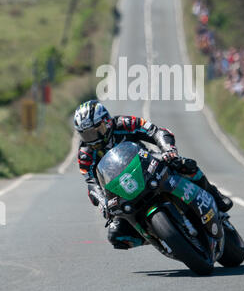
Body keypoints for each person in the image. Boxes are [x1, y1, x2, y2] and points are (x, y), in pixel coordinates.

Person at [74, 100, 233, 250]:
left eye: (95, 132)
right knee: (117, 236)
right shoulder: (85, 154)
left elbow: (156, 132)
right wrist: (103, 202)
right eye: (86, 135)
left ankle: (216, 196)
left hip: (147, 164)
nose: (92, 140)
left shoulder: (125, 123)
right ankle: (156, 235)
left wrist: (168, 150)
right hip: (121, 189)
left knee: (185, 165)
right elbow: (91, 182)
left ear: (106, 122)